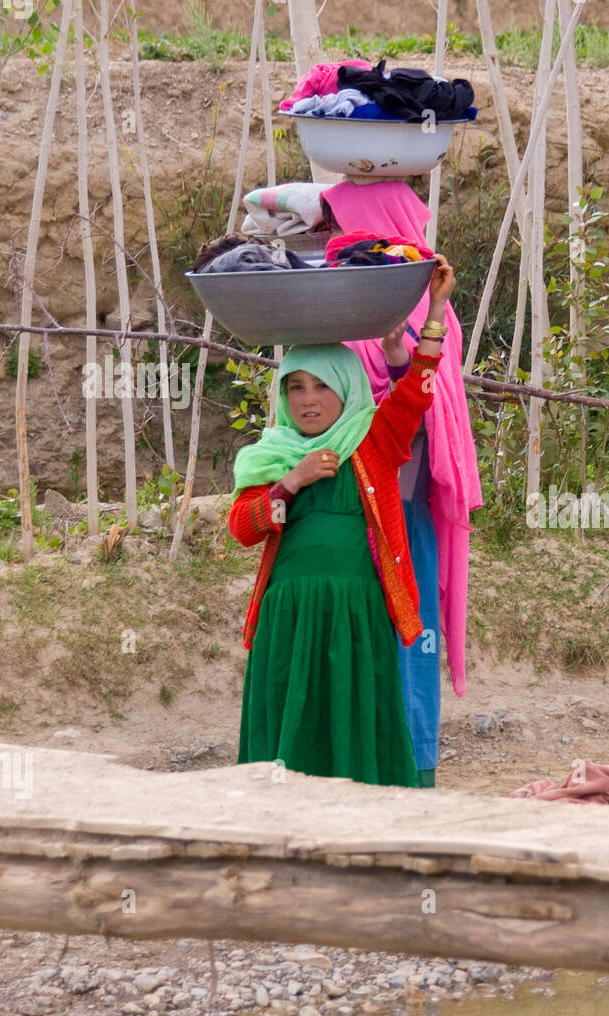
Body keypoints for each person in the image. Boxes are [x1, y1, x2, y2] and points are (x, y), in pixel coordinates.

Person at [228, 256, 455, 787]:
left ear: (347, 388)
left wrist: (436, 309)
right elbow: (242, 529)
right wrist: (292, 481)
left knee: (354, 704)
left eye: (322, 386)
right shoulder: (272, 455)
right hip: (289, 613)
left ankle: (361, 812)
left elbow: (417, 392)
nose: (308, 400)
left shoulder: (373, 440)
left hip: (357, 607)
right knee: (293, 709)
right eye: (296, 387)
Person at [321, 179, 484, 787]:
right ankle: (350, 762)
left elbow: (419, 412)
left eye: (345, 221)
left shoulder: (414, 305)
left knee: (406, 631)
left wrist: (395, 364)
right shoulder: (340, 293)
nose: (337, 236)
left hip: (396, 499)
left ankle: (408, 765)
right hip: (336, 502)